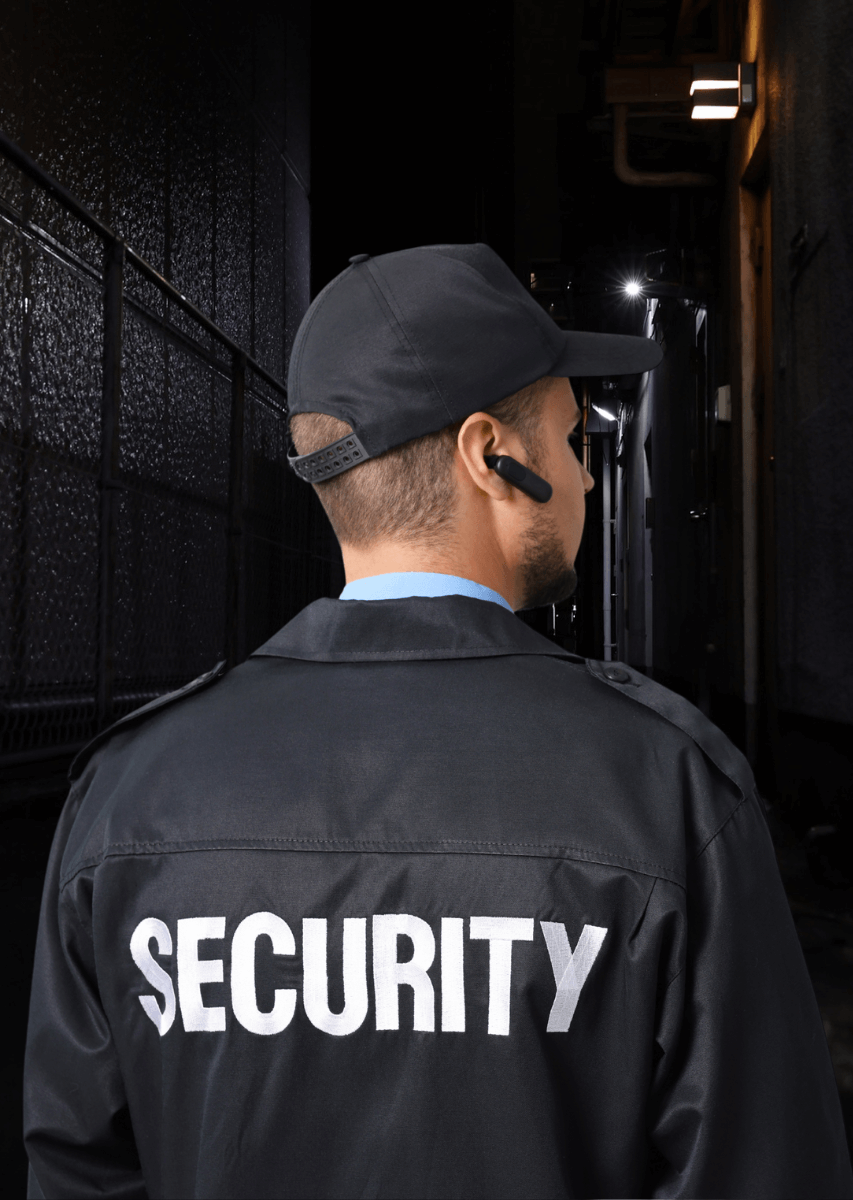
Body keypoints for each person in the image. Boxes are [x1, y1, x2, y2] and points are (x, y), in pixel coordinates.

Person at [23, 243, 853, 1200]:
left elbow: (82, 1172)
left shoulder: (127, 794)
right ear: (489, 456)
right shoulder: (664, 788)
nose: (584, 482)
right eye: (572, 442)